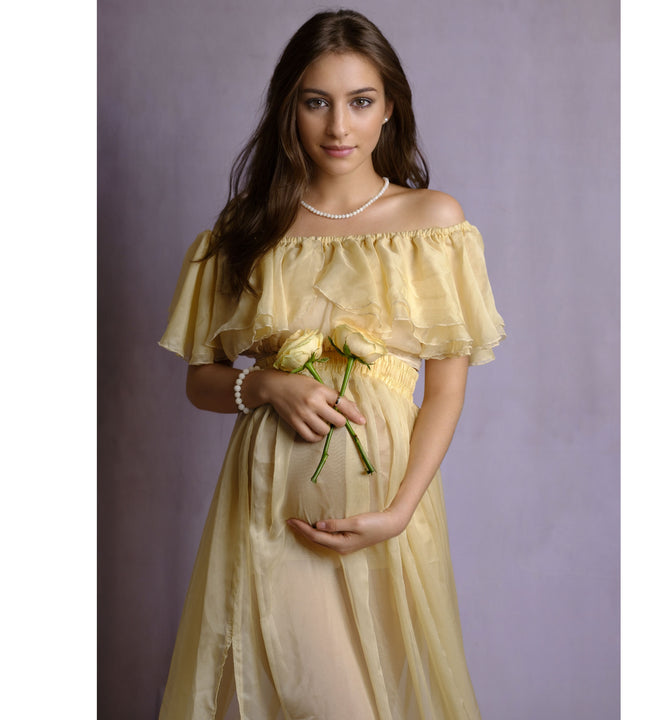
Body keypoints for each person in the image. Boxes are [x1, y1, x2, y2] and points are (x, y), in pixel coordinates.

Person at [158, 9, 505, 720]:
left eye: (361, 101)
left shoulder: (432, 222)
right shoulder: (247, 229)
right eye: (316, 102)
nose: (339, 127)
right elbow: (200, 382)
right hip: (273, 516)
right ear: (290, 107)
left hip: (388, 518)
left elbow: (445, 392)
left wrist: (399, 513)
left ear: (390, 107)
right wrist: (267, 384)